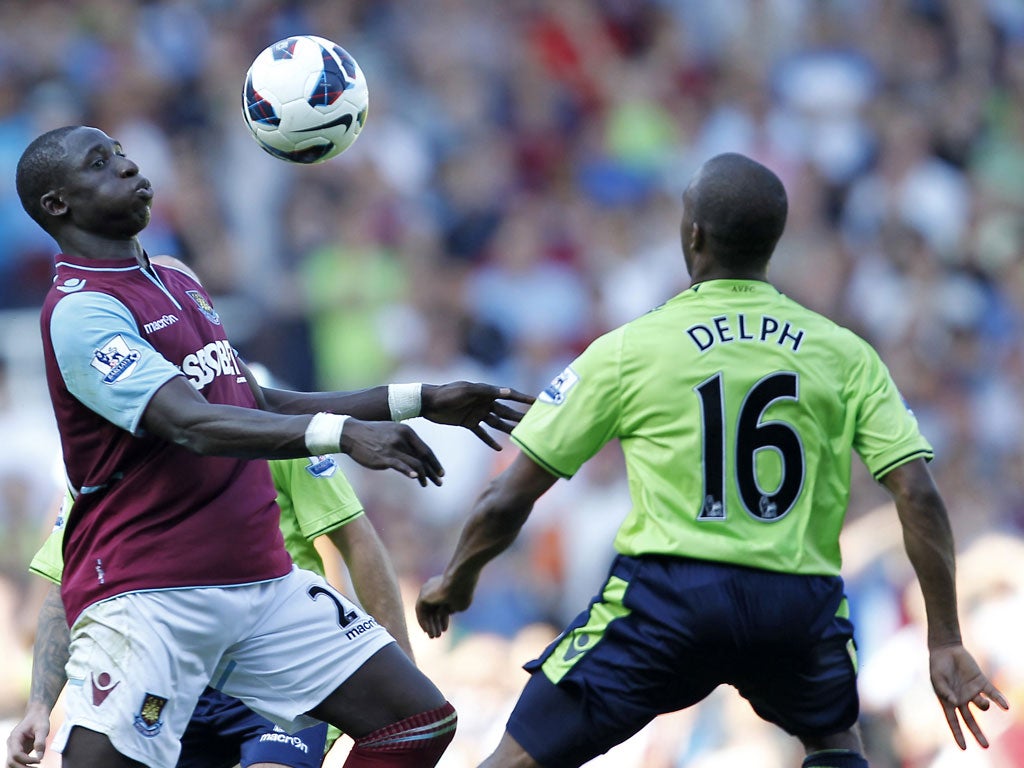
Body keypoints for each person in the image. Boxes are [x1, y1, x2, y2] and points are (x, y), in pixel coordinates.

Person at [415, 152, 1009, 768]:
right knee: (834, 740)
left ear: (694, 234)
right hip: (794, 601)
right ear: (772, 243)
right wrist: (945, 639)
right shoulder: (845, 353)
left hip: (671, 600)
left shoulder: (631, 348)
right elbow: (917, 491)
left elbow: (507, 496)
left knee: (518, 756)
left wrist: (456, 580)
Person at [12, 124, 533, 768]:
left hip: (261, 583)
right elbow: (192, 423)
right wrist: (344, 435)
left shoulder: (175, 277)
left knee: (417, 723)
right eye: (99, 163)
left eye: (121, 152)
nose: (126, 166)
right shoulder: (82, 310)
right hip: (154, 594)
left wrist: (419, 399)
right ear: (57, 204)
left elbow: (250, 400)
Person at [6, 447, 415, 768]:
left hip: (275, 668)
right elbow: (63, 584)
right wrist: (40, 705)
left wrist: (398, 669)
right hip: (168, 676)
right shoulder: (107, 464)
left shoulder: (271, 436)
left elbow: (355, 538)